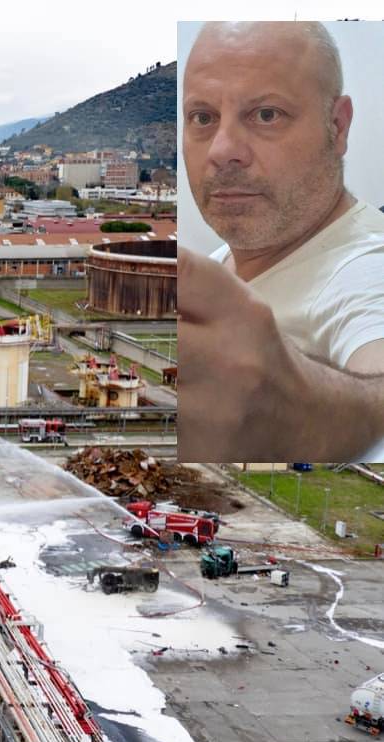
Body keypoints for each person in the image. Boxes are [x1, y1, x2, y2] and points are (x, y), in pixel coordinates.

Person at [179, 21, 384, 461]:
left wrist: (311, 413)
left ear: (338, 126)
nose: (222, 149)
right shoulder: (226, 264)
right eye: (202, 117)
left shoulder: (365, 265)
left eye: (266, 114)